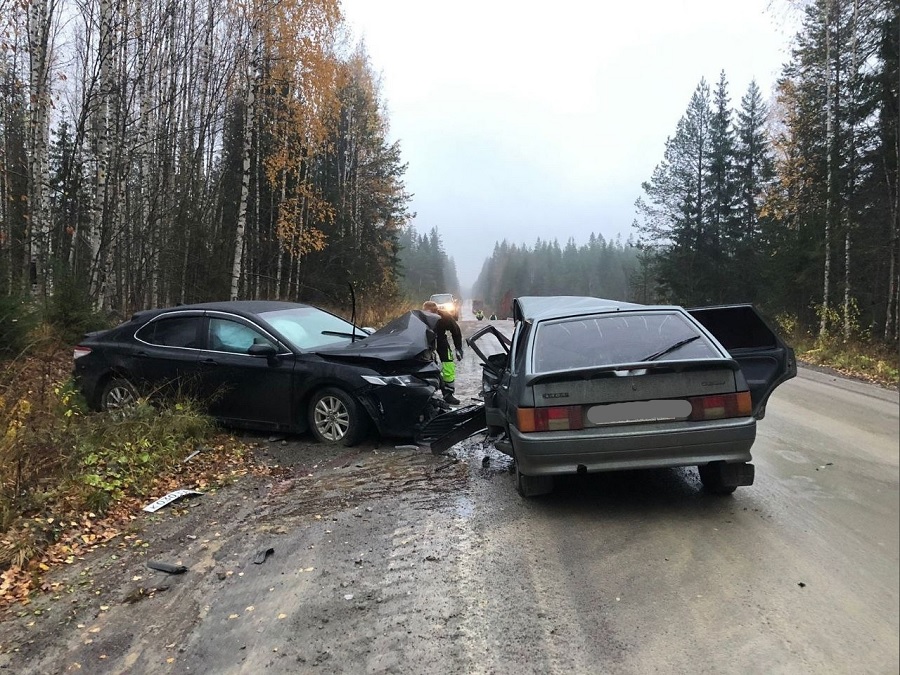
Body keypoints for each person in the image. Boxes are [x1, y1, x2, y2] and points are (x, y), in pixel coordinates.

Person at [422, 300, 464, 405]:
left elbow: (456, 331)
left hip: (441, 340)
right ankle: (428, 392)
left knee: (448, 364)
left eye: (433, 315)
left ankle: (448, 394)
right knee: (426, 366)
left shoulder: (445, 316)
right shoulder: (420, 317)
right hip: (426, 341)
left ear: (437, 312)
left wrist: (458, 348)